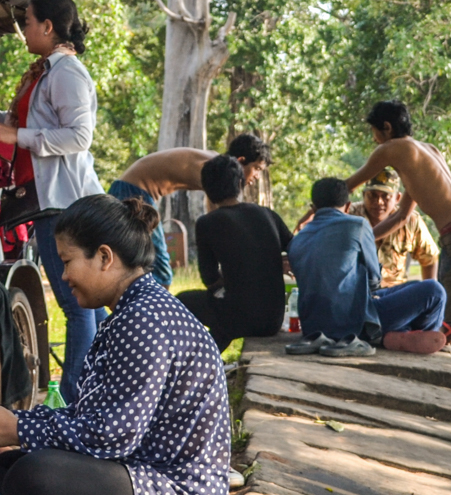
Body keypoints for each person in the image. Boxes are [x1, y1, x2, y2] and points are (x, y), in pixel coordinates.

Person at [0, 195, 231, 495]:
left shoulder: (143, 320)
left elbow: (111, 437)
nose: (63, 276)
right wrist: (15, 430)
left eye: (67, 261)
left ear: (105, 258)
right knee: (6, 470)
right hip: (132, 472)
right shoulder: (133, 311)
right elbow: (91, 419)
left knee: (35, 476)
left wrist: (17, 427)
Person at [0, 0, 104, 402]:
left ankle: (77, 401)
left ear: (48, 27)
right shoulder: (44, 72)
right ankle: (90, 395)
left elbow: (79, 136)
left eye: (27, 22)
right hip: (49, 200)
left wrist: (18, 136)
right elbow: (8, 122)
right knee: (86, 307)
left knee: (77, 305)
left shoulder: (67, 73)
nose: (23, 30)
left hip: (63, 202)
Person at [344, 101, 451, 402]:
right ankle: (450, 400)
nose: (376, 143)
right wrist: (363, 241)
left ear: (387, 128)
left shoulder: (393, 148)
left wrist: (316, 210)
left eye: (375, 134)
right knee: (447, 329)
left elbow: (348, 185)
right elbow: (400, 217)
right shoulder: (426, 152)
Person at [110, 134, 272, 286]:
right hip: (132, 194)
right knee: (160, 270)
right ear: (241, 160)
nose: (257, 176)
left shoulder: (217, 166)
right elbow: (222, 218)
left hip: (133, 192)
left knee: (131, 266)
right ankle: (159, 314)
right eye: (257, 168)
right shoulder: (217, 169)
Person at [177, 155, 292, 351]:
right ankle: (205, 358)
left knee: (182, 300)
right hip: (273, 319)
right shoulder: (267, 214)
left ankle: (193, 361)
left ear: (206, 189)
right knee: (228, 313)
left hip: (239, 317)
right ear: (240, 183)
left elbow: (210, 277)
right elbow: (295, 248)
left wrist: (229, 287)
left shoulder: (207, 223)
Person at [286, 178, 380, 357]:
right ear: (348, 206)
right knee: (433, 292)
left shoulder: (296, 240)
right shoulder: (358, 225)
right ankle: (389, 335)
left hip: (311, 328)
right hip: (352, 322)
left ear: (313, 208)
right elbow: (374, 280)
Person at [354, 170, 438, 286]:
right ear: (363, 195)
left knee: (433, 290)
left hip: (394, 292)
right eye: (373, 195)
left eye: (385, 196)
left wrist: (430, 284)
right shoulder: (349, 216)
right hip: (356, 290)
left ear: (398, 198)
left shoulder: (410, 221)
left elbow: (430, 258)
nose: (379, 202)